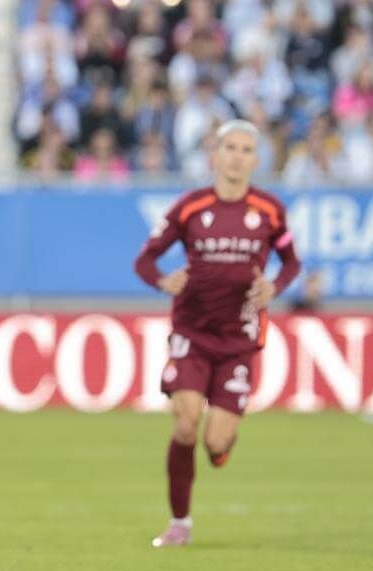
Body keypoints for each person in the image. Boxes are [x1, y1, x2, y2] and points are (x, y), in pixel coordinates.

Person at [133, 119, 301, 548]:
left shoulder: (269, 210)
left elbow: (292, 263)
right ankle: (179, 523)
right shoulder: (189, 207)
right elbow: (145, 260)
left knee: (215, 441)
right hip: (191, 333)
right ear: (215, 154)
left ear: (256, 160)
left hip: (239, 341)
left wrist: (275, 287)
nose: (237, 156)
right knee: (186, 424)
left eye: (246, 150)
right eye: (230, 147)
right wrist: (162, 280)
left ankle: (222, 444)